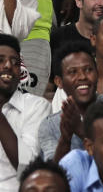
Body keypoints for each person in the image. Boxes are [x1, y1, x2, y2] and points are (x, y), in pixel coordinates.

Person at [39, 41, 103, 162]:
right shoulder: (50, 125)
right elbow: (53, 174)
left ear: (97, 73)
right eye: (72, 72)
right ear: (58, 82)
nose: (82, 77)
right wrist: (65, 138)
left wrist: (81, 130)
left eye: (88, 70)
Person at [0, 34, 52, 191]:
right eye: (0, 60)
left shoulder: (36, 106)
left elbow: (27, 166)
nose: (8, 65)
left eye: (15, 62)